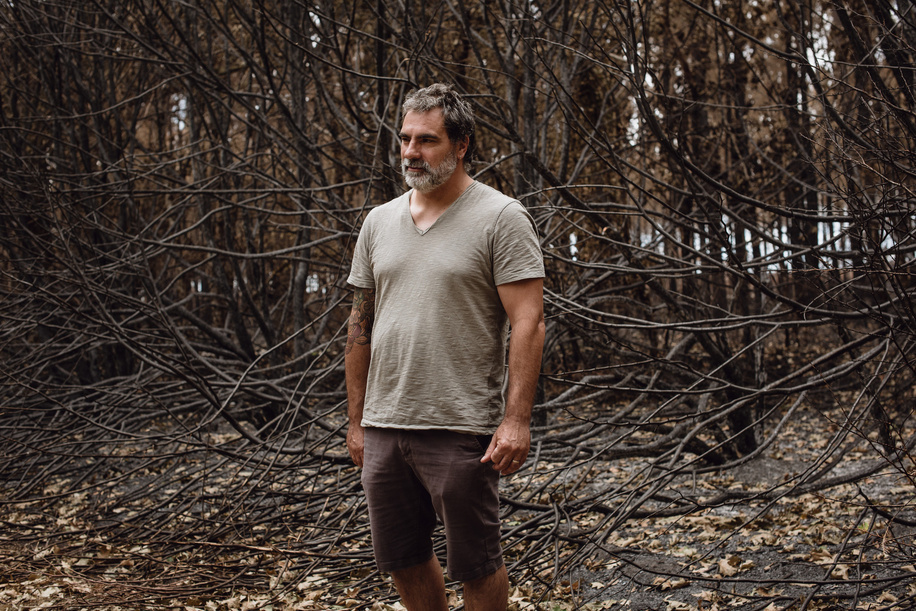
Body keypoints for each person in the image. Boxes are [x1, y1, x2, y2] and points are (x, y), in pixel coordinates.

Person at [345, 83, 545, 611]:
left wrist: (516, 420)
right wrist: (356, 420)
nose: (411, 151)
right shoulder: (377, 222)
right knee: (402, 558)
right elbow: (359, 326)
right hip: (386, 425)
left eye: (427, 140)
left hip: (460, 427)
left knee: (475, 565)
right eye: (405, 139)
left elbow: (529, 321)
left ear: (461, 145)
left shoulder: (501, 218)